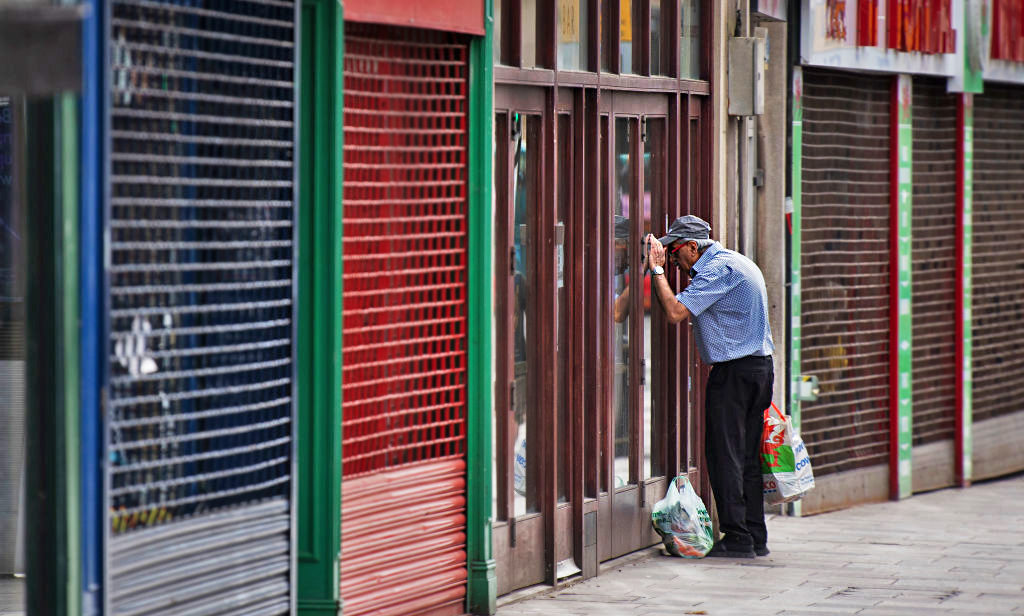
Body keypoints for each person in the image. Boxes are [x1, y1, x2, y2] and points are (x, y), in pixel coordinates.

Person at [644, 215, 775, 558]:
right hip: (757, 368)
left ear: (692, 246)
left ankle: (737, 537)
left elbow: (674, 311)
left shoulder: (718, 271)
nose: (672, 260)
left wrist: (656, 271)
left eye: (674, 253)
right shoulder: (736, 261)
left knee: (724, 455)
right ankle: (754, 536)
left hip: (735, 373)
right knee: (746, 456)